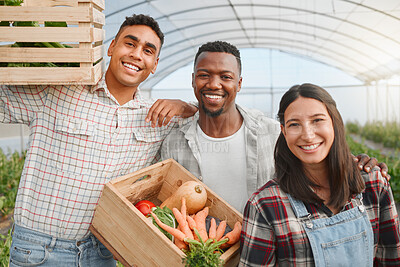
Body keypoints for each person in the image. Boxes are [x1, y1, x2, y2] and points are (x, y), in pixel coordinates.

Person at [1, 14, 197, 267]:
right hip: (40, 250)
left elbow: (212, 119)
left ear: (155, 64)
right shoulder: (56, 92)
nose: (137, 54)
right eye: (130, 43)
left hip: (102, 251)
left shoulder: (156, 117)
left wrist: (185, 106)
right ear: (112, 47)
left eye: (148, 50)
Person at [161, 41, 389, 213]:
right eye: (204, 75)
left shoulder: (270, 132)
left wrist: (357, 162)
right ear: (193, 80)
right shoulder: (174, 141)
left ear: (239, 83)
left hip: (266, 248)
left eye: (225, 76)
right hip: (202, 253)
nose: (214, 84)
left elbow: (317, 155)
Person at [239, 83, 400, 266]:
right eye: (294, 124)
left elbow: (391, 260)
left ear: (334, 122)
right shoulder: (265, 205)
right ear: (283, 132)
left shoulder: (373, 184)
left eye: (317, 120)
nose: (307, 135)